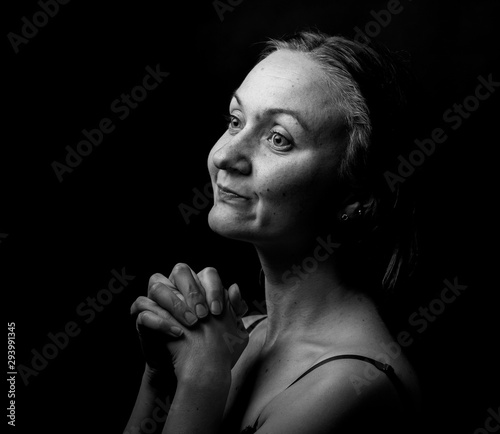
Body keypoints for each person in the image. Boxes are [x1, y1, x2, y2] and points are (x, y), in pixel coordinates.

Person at [124, 30, 421, 434]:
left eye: (278, 139)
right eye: (234, 121)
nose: (225, 156)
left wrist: (200, 384)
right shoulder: (235, 336)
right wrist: (161, 378)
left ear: (355, 196)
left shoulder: (347, 387)